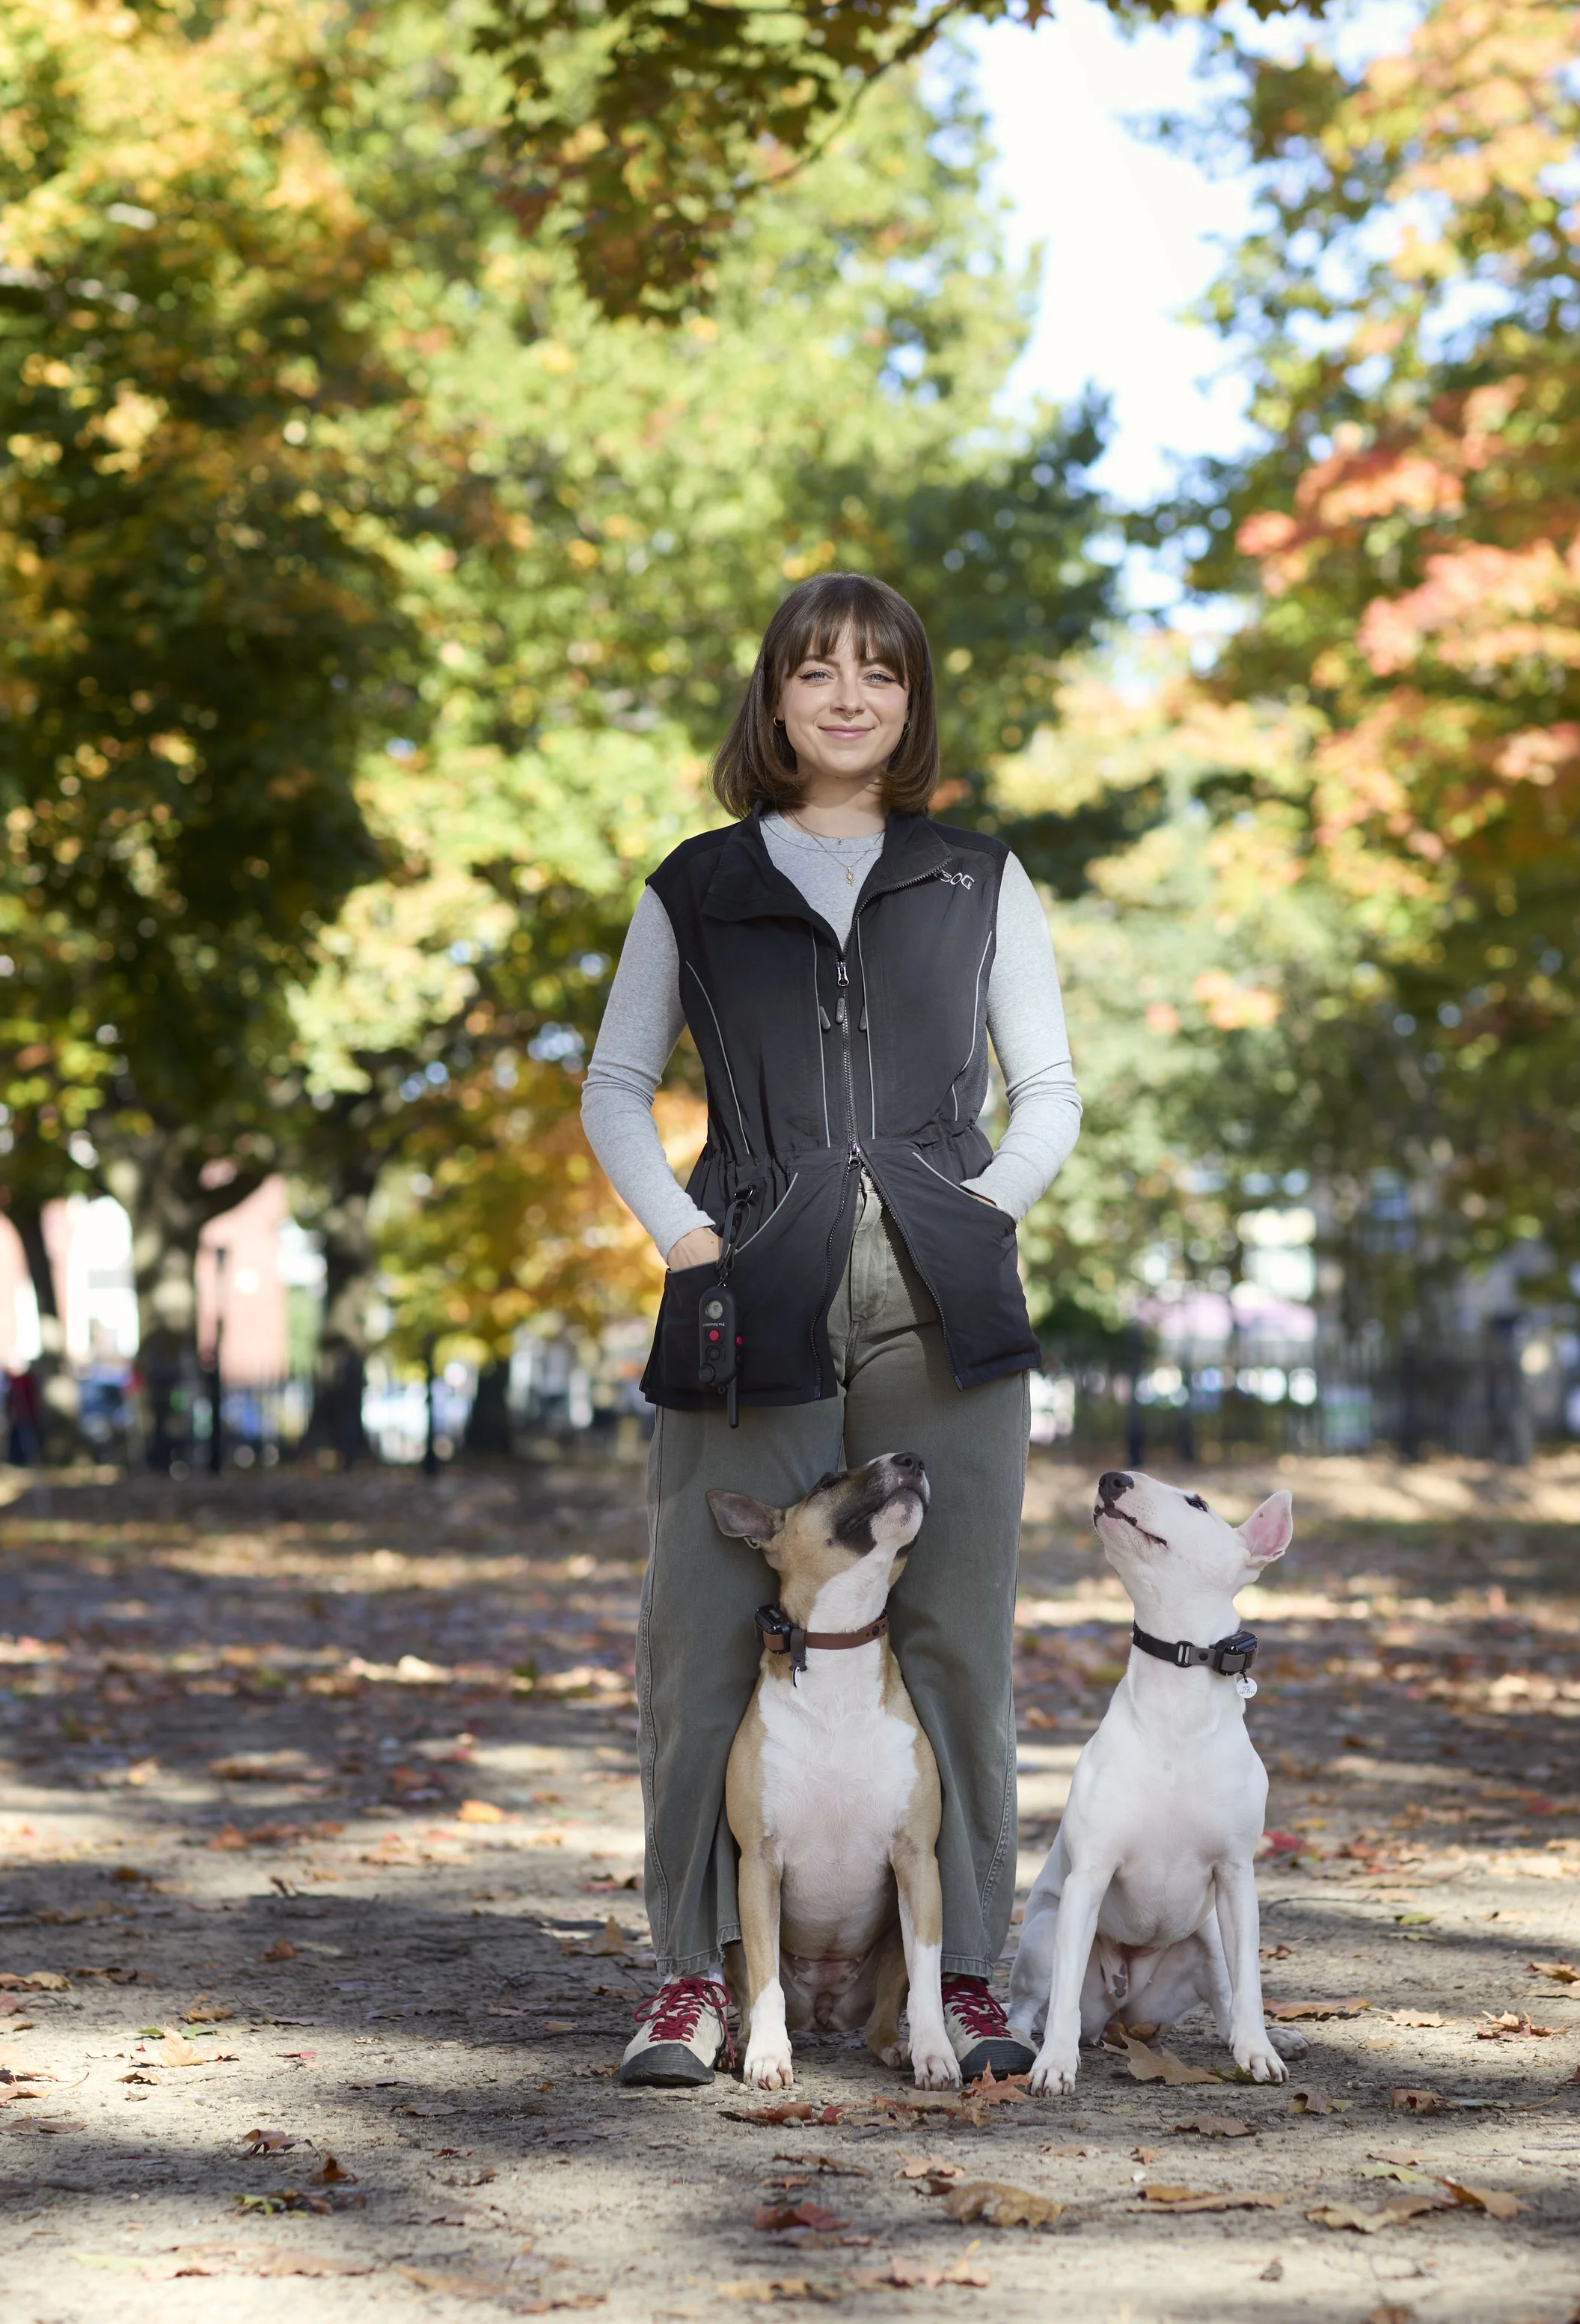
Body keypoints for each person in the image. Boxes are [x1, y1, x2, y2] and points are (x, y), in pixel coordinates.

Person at [581, 570, 1081, 2085]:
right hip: (749, 1303)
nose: (849, 693)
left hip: (946, 1297)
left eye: (879, 668)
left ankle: (969, 1966)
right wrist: (683, 1237)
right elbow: (613, 1084)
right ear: (775, 697)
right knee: (704, 1629)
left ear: (912, 697)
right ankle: (688, 1973)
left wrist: (984, 1204)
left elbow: (1045, 1086)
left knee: (954, 1635)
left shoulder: (979, 876)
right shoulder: (695, 882)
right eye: (817, 669)